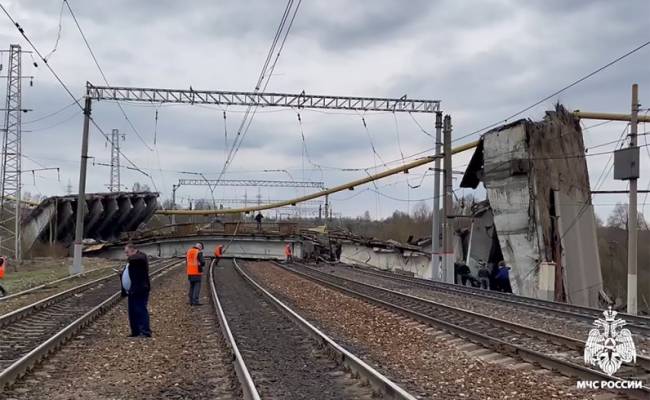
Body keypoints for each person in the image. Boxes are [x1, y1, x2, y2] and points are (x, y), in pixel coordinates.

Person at [121, 243, 151, 338]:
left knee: (140, 309)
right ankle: (136, 331)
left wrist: (129, 259)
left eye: (127, 252)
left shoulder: (140, 257)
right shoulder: (133, 259)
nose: (127, 255)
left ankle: (145, 331)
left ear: (133, 250)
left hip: (140, 288)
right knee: (133, 311)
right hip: (132, 289)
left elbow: (137, 259)